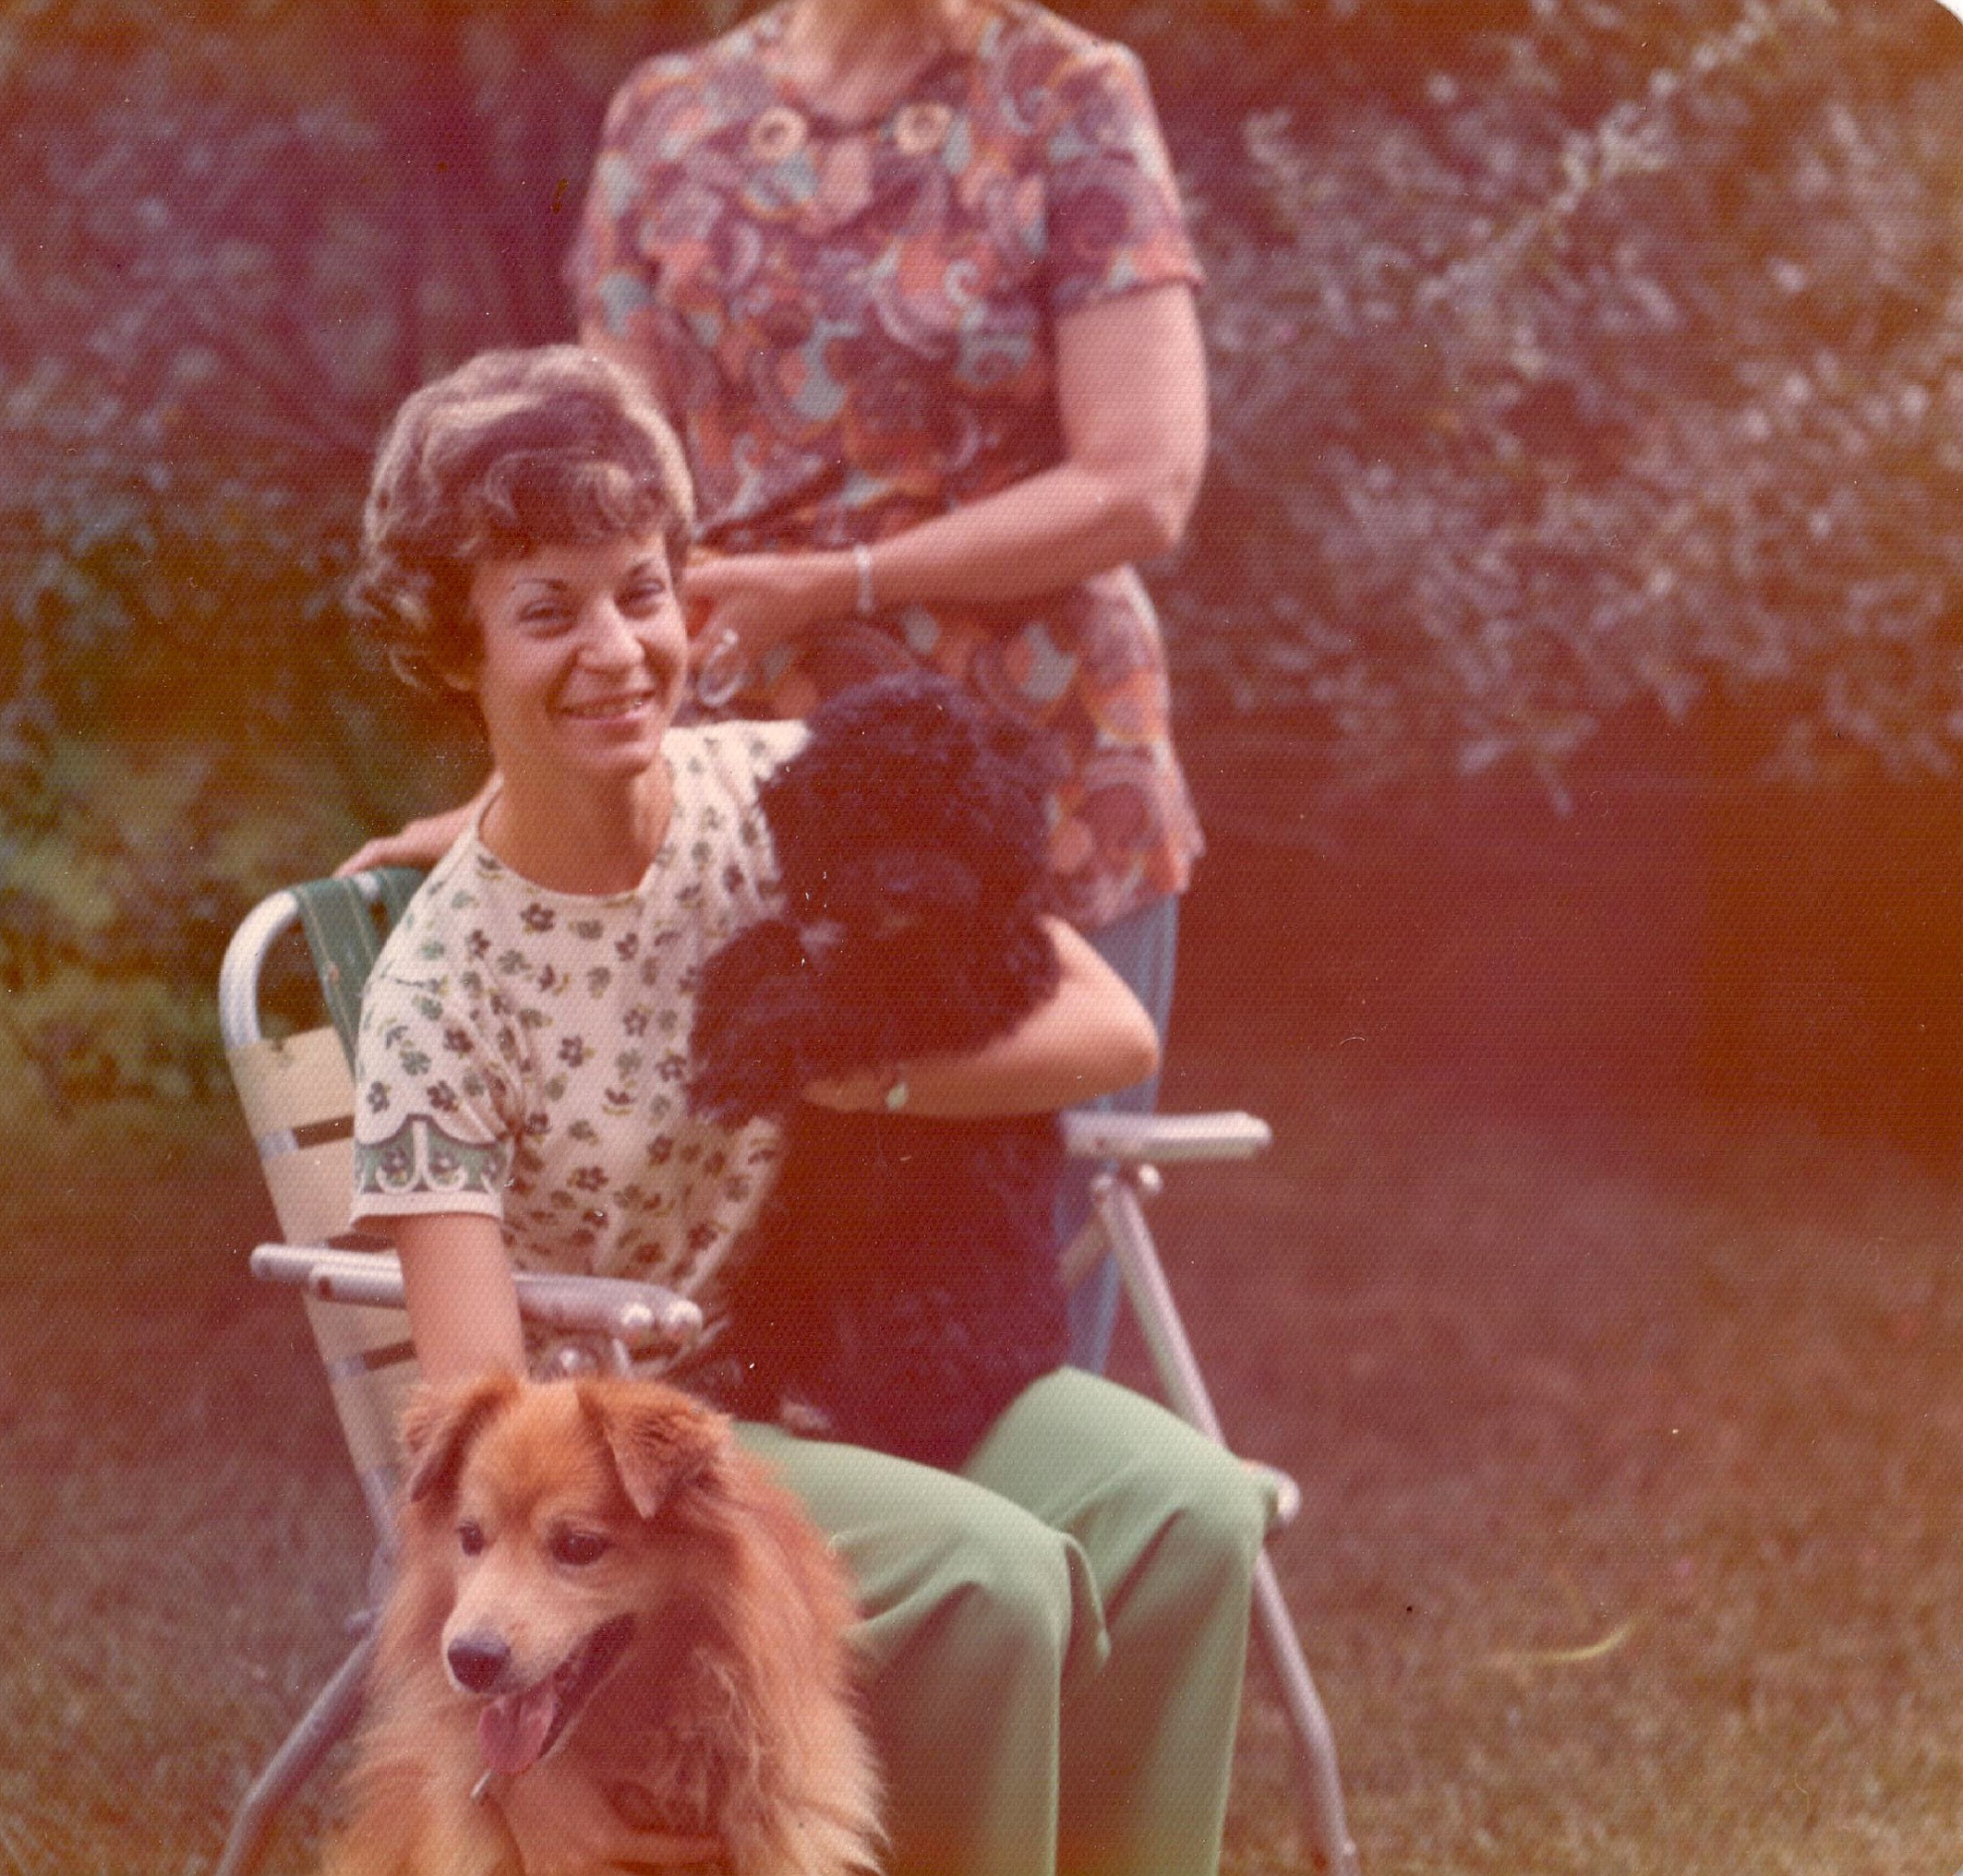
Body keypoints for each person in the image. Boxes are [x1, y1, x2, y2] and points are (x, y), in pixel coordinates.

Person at [344, 344, 1266, 1876]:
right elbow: (470, 1426)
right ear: (460, 652)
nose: (619, 649)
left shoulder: (779, 790)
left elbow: (1105, 1021)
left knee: (1192, 1511)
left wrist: (848, 1072)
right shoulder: (440, 991)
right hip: (658, 1463)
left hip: (863, 1352)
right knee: (992, 1580)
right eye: (547, 612)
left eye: (641, 590)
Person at [344, 0, 1212, 1363]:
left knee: (1007, 1301)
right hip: (748, 815)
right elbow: (586, 508)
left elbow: (1143, 483)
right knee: (778, 1266)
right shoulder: (670, 118)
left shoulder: (1067, 96)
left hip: (1022, 794)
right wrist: (515, 796)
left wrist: (836, 584)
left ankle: (1023, 1561)